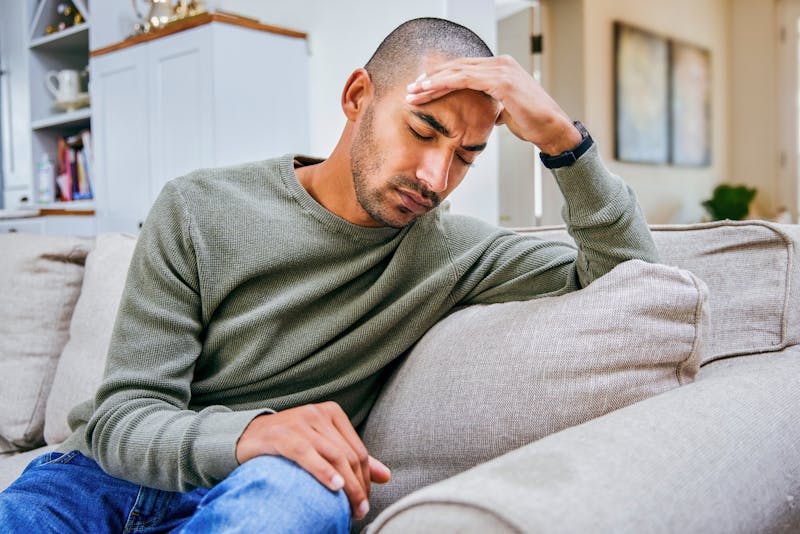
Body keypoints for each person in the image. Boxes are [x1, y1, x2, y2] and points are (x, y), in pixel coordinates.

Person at [0, 17, 658, 533]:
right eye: (424, 129)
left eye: (466, 156)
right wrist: (251, 431)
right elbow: (123, 418)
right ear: (356, 97)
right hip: (97, 483)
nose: (436, 178)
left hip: (272, 486)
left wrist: (562, 143)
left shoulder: (457, 252)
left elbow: (636, 285)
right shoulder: (198, 207)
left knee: (309, 495)